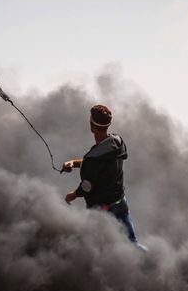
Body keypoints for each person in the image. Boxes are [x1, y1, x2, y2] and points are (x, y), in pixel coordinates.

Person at [63, 104, 147, 251]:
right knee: (133, 244)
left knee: (95, 250)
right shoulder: (117, 143)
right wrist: (73, 163)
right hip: (120, 203)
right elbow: (100, 164)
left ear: (92, 125)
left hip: (102, 210)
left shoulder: (93, 158)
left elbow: (87, 187)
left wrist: (72, 195)